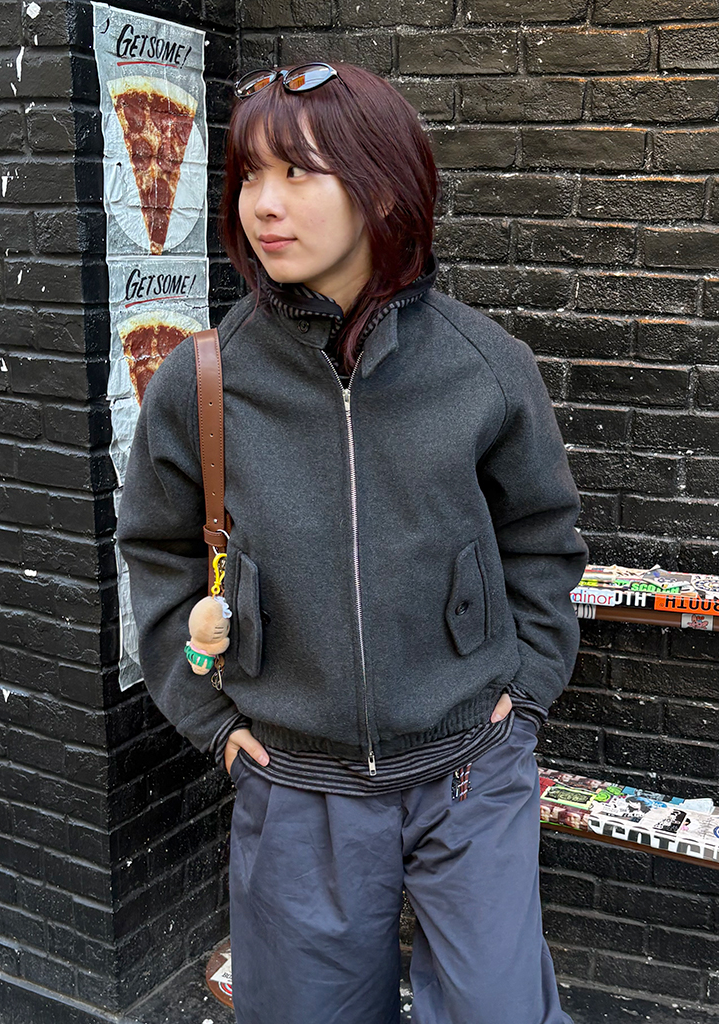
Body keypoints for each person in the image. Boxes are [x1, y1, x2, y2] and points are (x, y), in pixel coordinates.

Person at [118, 62, 589, 1024]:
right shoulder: (202, 382)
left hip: (470, 767)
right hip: (296, 785)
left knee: (500, 1010)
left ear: (381, 187)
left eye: (297, 173)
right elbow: (158, 552)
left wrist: (528, 690)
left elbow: (541, 539)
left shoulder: (485, 366)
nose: (264, 205)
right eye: (250, 176)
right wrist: (215, 728)